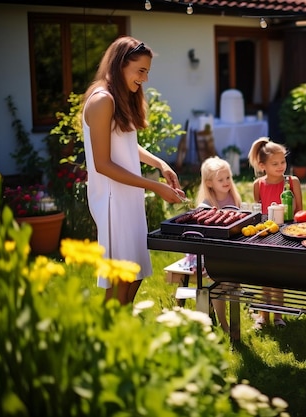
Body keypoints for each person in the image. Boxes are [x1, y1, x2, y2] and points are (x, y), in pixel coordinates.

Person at [82, 36, 185, 306]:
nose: (145, 79)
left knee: (135, 273)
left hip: (128, 196)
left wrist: (160, 165)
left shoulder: (118, 97)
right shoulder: (102, 100)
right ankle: (106, 340)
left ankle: (119, 333)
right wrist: (154, 186)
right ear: (120, 65)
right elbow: (102, 163)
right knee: (121, 279)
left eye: (147, 72)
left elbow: (126, 143)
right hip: (113, 201)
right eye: (141, 71)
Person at [248, 137, 303, 329]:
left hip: (286, 234)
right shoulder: (258, 185)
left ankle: (278, 315)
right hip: (267, 234)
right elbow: (258, 211)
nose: (281, 166)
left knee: (278, 276)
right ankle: (263, 315)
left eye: (283, 162)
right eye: (275, 164)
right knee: (264, 275)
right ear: (262, 165)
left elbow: (300, 212)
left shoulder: (292, 182)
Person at [188, 155, 242, 332]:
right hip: (207, 255)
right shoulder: (206, 206)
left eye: (228, 178)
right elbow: (203, 239)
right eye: (221, 179)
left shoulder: (233, 199)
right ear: (209, 183)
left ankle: (229, 317)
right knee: (222, 280)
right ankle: (223, 322)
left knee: (233, 277)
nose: (226, 182)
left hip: (227, 251)